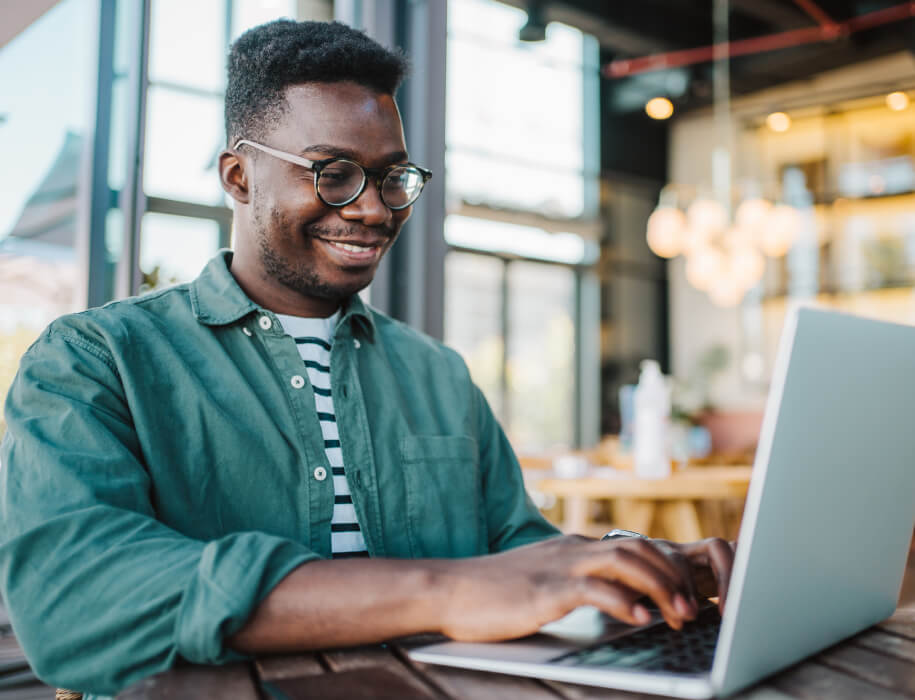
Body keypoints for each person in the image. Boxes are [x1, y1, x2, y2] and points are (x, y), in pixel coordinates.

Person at [0, 19, 734, 698]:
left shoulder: (435, 374)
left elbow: (518, 549)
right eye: (332, 172)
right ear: (238, 177)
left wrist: (630, 563)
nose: (375, 208)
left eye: (392, 177)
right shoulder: (97, 359)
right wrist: (442, 591)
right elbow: (76, 596)